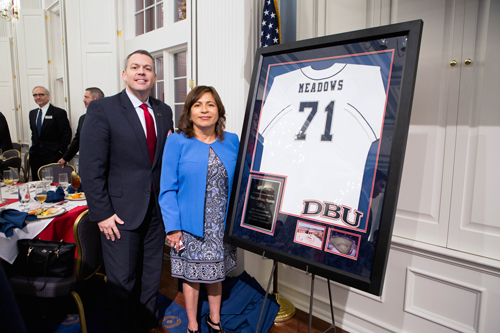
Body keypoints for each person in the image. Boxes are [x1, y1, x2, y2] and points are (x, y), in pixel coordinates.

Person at [80, 50, 174, 333]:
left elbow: (160, 162)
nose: (141, 72)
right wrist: (102, 214)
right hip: (118, 215)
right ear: (125, 74)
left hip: (155, 213)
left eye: (147, 68)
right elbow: (90, 167)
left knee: (150, 278)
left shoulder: (164, 110)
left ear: (155, 77)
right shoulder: (103, 109)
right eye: (135, 67)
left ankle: (145, 323)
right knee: (122, 281)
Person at [159, 85, 239, 333]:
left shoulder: (234, 141)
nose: (204, 110)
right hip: (188, 225)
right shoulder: (176, 141)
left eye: (210, 104)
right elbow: (167, 188)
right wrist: (173, 228)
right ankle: (192, 325)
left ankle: (214, 320)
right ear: (189, 112)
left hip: (222, 225)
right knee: (192, 277)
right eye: (198, 105)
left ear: (219, 111)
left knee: (216, 274)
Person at [29, 86, 71, 180]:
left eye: (41, 94)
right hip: (35, 156)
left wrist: (62, 152)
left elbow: (66, 133)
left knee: (52, 184)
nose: (38, 97)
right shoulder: (32, 113)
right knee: (37, 185)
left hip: (53, 155)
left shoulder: (58, 112)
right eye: (35, 95)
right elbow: (34, 134)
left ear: (48, 97)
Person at [58, 87, 105, 166]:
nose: (84, 100)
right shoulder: (83, 118)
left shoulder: (108, 117)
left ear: (95, 99)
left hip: (104, 164)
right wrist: (65, 158)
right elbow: (78, 140)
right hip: (86, 163)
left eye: (86, 97)